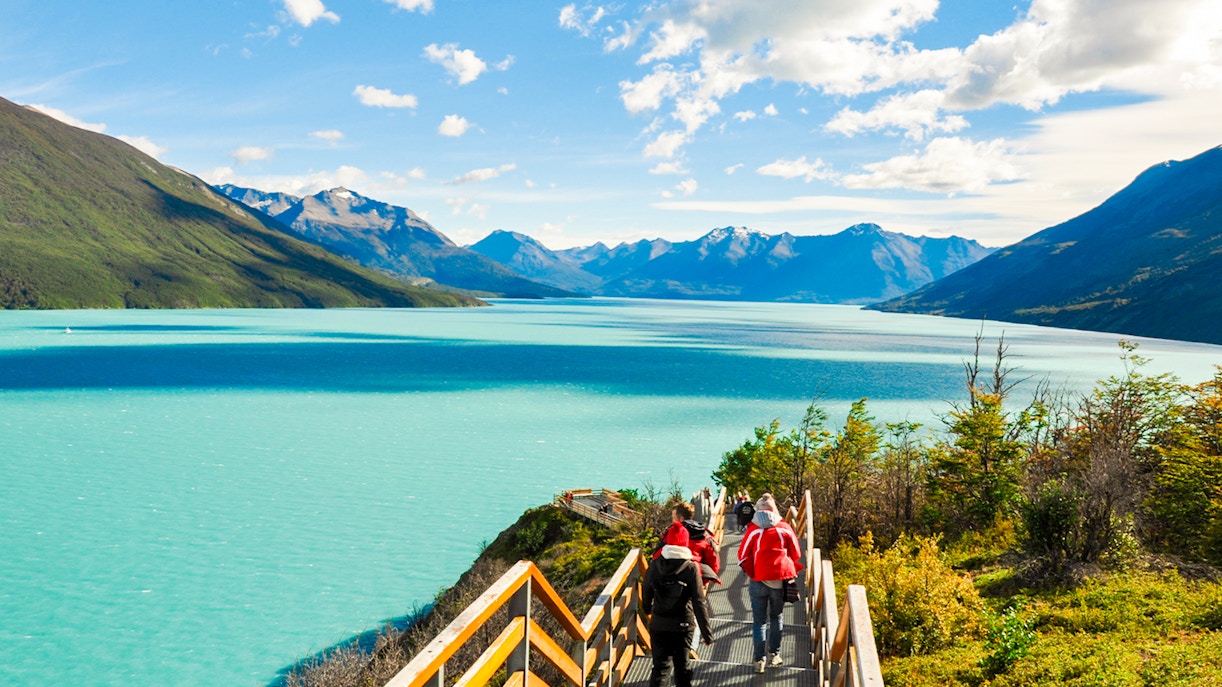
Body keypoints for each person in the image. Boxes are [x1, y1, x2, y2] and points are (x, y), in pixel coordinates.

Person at [736, 493, 803, 673]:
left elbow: (742, 555)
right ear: (774, 510)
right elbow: (796, 554)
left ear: (758, 510)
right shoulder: (785, 528)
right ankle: (774, 654)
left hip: (758, 580)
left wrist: (753, 567)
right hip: (779, 580)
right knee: (776, 617)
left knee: (759, 622)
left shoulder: (753, 530)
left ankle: (759, 660)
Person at [642, 526, 713, 687]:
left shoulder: (655, 564)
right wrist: (707, 633)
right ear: (685, 542)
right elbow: (699, 601)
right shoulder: (690, 567)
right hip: (683, 625)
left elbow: (646, 590)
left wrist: (647, 610)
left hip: (659, 624)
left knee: (660, 668)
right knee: (682, 668)